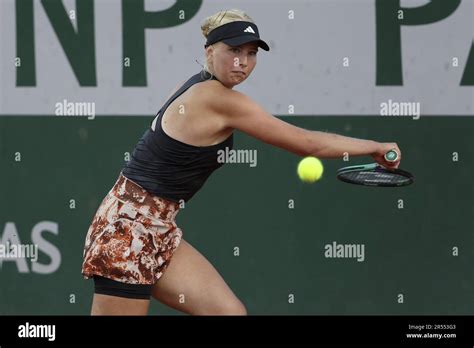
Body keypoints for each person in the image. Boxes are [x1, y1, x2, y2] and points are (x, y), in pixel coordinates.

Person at [81, 9, 401, 316]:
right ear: (209, 51)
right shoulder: (216, 99)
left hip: (155, 228)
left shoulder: (204, 87)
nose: (242, 62)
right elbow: (306, 143)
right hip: (124, 232)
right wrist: (374, 147)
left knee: (227, 313)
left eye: (251, 53)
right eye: (234, 50)